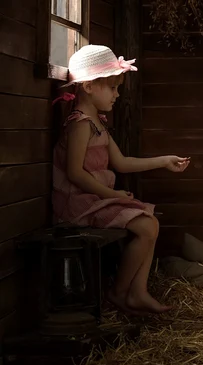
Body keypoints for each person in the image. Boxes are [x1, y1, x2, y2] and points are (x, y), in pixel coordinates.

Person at [52, 45, 190, 315]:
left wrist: (163, 161)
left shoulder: (98, 123)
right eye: (113, 88)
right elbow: (75, 174)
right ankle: (119, 292)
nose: (117, 95)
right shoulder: (80, 123)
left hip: (96, 198)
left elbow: (121, 162)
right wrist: (113, 195)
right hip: (78, 203)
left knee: (150, 224)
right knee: (148, 226)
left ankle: (137, 292)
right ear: (90, 87)